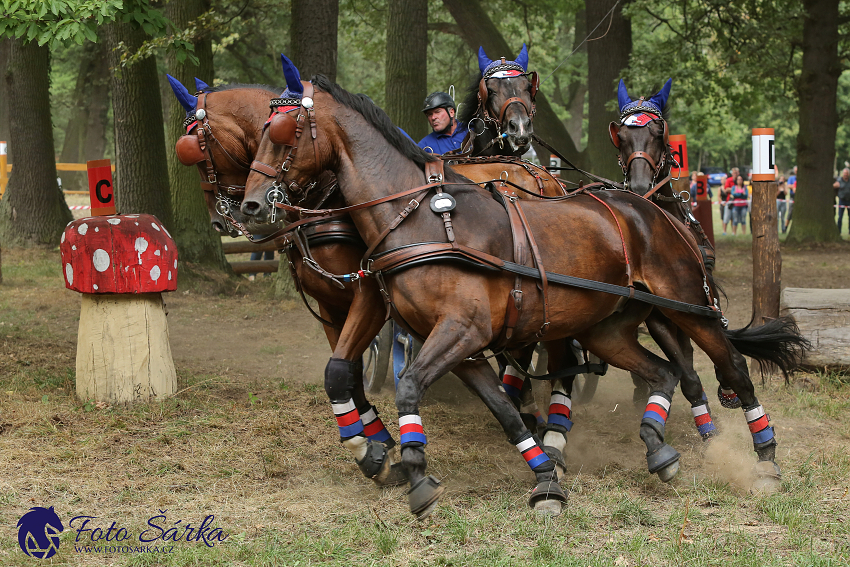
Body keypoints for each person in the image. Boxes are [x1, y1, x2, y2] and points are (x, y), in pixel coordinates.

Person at [834, 167, 850, 235]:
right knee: (840, 216)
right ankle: (839, 231)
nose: (845, 174)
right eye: (844, 173)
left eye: (847, 173)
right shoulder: (839, 180)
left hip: (849, 201)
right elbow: (834, 186)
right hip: (842, 201)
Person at [785, 166, 797, 232]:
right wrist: (795, 186)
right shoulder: (791, 178)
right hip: (793, 197)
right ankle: (785, 228)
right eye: (795, 171)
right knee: (790, 213)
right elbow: (788, 185)